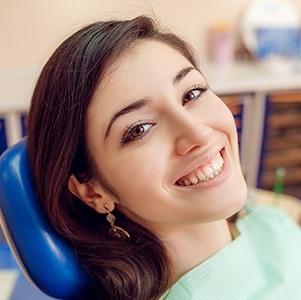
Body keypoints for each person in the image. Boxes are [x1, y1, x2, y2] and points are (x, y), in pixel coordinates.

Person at [27, 15, 301, 299]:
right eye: (139, 129)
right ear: (92, 191)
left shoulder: (253, 218)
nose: (199, 134)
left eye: (192, 94)